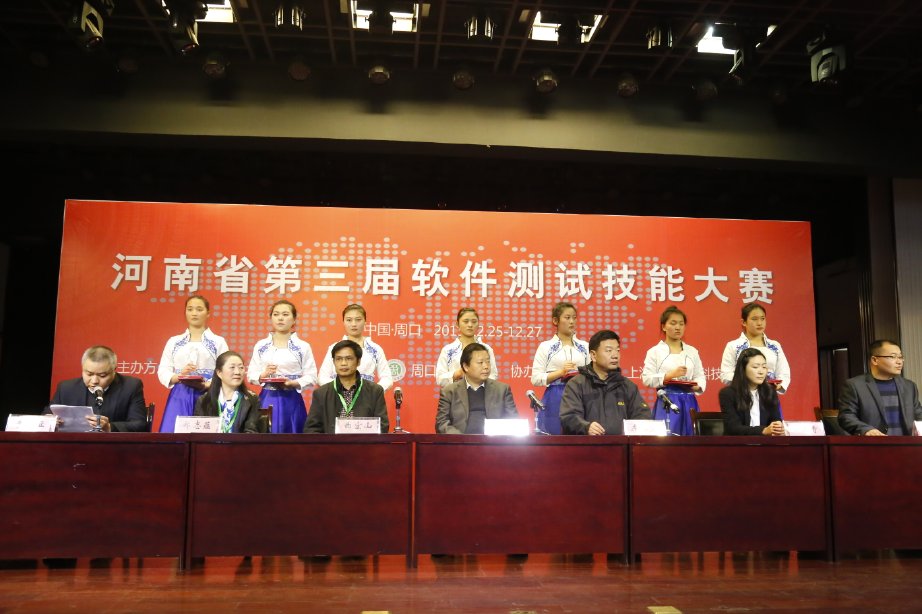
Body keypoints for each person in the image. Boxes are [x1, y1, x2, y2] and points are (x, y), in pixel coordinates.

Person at [157, 295, 229, 433]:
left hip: (208, 394)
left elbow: (226, 370)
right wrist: (180, 376)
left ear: (208, 313)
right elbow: (163, 370)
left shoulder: (218, 342)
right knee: (176, 436)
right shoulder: (174, 341)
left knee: (206, 437)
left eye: (199, 309)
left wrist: (208, 385)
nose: (194, 313)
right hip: (180, 395)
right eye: (190, 309)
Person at [559, 330, 651, 436]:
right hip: (587, 445)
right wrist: (586, 427)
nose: (615, 355)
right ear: (593, 355)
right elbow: (569, 417)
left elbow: (642, 416)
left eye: (617, 350)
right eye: (609, 350)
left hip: (621, 445)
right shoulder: (576, 384)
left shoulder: (628, 386)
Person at [247, 300, 318, 433]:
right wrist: (263, 375)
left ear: (294, 319)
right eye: (276, 314)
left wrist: (293, 383)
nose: (280, 318)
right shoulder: (261, 345)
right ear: (271, 318)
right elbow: (251, 374)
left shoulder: (303, 347)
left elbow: (312, 376)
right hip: (267, 398)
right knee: (265, 435)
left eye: (285, 314)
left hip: (291, 398)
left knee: (293, 437)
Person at [641, 305, 706, 436]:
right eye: (673, 323)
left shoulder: (692, 351)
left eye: (681, 324)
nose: (678, 327)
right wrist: (669, 375)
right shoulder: (655, 352)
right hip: (667, 400)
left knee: (691, 439)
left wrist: (697, 386)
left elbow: (700, 375)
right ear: (664, 326)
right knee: (666, 440)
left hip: (689, 401)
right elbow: (647, 378)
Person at [50, 345, 147, 432]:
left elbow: (139, 424)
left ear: (114, 371)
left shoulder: (131, 386)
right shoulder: (66, 388)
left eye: (102, 375)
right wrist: (52, 421)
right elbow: (47, 416)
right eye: (89, 374)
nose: (94, 381)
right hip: (73, 443)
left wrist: (109, 427)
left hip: (113, 444)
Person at [837, 339, 922, 436]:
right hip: (874, 443)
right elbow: (846, 416)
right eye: (893, 357)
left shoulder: (909, 386)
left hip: (907, 444)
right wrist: (866, 430)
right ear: (874, 360)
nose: (899, 362)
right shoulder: (855, 385)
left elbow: (919, 415)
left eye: (900, 357)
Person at [530, 302, 590, 435]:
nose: (572, 321)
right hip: (556, 395)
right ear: (555, 321)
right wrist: (561, 372)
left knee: (581, 435)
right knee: (555, 435)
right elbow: (536, 378)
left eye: (574, 318)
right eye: (567, 318)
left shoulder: (585, 346)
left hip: (582, 395)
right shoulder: (546, 347)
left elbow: (593, 373)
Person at [304, 340, 389, 433]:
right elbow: (312, 429)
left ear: (358, 361)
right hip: (331, 442)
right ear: (333, 362)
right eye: (339, 359)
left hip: (365, 442)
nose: (343, 363)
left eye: (349, 358)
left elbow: (382, 426)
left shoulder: (375, 391)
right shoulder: (321, 393)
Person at [436, 342, 519, 434]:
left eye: (488, 362)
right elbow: (442, 424)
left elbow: (514, 422)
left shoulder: (502, 390)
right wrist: (462, 439)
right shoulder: (449, 392)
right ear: (466, 367)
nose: (486, 366)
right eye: (480, 362)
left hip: (493, 441)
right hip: (460, 441)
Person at [318, 304, 393, 391]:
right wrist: (340, 390)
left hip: (366, 396)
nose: (353, 324)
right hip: (338, 396)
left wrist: (373, 392)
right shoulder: (334, 348)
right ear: (343, 322)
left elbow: (387, 378)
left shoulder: (375, 349)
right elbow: (322, 377)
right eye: (349, 320)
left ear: (365, 322)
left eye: (358, 320)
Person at [719, 303, 790, 394]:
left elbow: (784, 372)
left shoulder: (775, 346)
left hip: (768, 397)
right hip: (742, 397)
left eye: (762, 318)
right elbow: (726, 374)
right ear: (744, 322)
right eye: (754, 319)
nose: (759, 323)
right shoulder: (733, 346)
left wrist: (779, 385)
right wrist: (750, 382)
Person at [718, 347, 786, 436]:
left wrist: (777, 427)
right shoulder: (728, 394)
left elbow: (775, 419)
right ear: (743, 369)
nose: (761, 372)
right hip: (738, 443)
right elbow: (733, 428)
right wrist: (763, 431)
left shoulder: (770, 392)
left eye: (764, 367)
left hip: (765, 443)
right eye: (755, 367)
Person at [193, 351, 261, 433]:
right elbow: (199, 433)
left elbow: (251, 432)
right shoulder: (204, 400)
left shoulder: (252, 400)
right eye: (232, 367)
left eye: (241, 367)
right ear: (219, 372)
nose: (237, 372)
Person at [435, 307, 498, 387]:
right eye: (466, 321)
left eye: (474, 322)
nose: (470, 325)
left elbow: (493, 375)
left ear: (478, 324)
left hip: (480, 393)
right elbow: (440, 378)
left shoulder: (486, 349)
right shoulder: (448, 350)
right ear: (457, 324)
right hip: (454, 393)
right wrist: (457, 374)